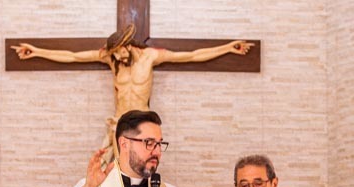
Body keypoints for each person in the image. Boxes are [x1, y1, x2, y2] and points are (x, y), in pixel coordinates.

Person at [13, 25, 253, 161]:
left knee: (140, 171)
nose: (117, 57)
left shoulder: (150, 57)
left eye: (119, 52)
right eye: (113, 53)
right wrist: (36, 51)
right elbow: (72, 56)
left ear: (128, 45)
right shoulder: (111, 58)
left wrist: (228, 48)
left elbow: (191, 55)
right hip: (118, 125)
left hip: (142, 125)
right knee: (109, 171)